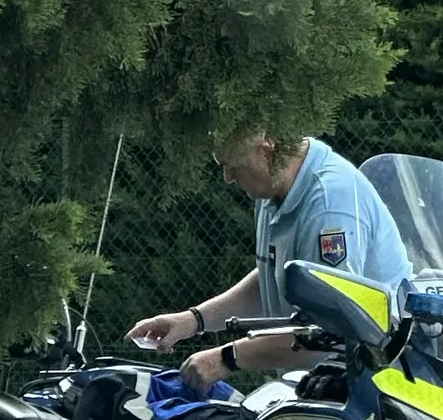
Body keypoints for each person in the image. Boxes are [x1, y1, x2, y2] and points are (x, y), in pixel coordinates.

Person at [128, 126, 409, 387]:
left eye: (231, 164)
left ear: (265, 150)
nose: (227, 178)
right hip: (317, 383)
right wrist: (191, 321)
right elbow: (271, 279)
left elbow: (326, 331)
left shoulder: (330, 205)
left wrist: (227, 358)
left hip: (366, 387)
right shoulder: (271, 190)